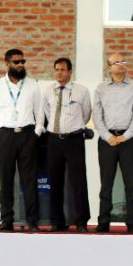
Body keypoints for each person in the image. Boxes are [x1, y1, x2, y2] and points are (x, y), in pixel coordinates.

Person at [0, 49, 44, 232]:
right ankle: (6, 220)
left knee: (29, 180)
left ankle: (32, 221)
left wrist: (36, 132)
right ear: (7, 63)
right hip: (5, 136)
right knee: (6, 180)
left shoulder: (33, 85)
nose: (21, 65)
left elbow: (40, 111)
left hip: (27, 135)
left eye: (23, 61)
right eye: (16, 62)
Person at [93, 53, 133, 233]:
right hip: (107, 140)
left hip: (128, 140)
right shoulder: (101, 88)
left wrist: (126, 136)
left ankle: (132, 223)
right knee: (106, 184)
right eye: (117, 62)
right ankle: (103, 222)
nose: (121, 64)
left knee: (130, 184)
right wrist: (107, 136)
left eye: (123, 61)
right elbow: (97, 116)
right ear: (109, 67)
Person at [43, 57, 91, 232]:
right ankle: (57, 221)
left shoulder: (81, 91)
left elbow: (86, 114)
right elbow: (47, 112)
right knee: (54, 182)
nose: (59, 72)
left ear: (70, 72)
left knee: (78, 182)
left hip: (74, 140)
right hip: (54, 139)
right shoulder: (48, 91)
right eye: (56, 69)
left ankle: (81, 221)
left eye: (63, 69)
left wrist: (72, 127)